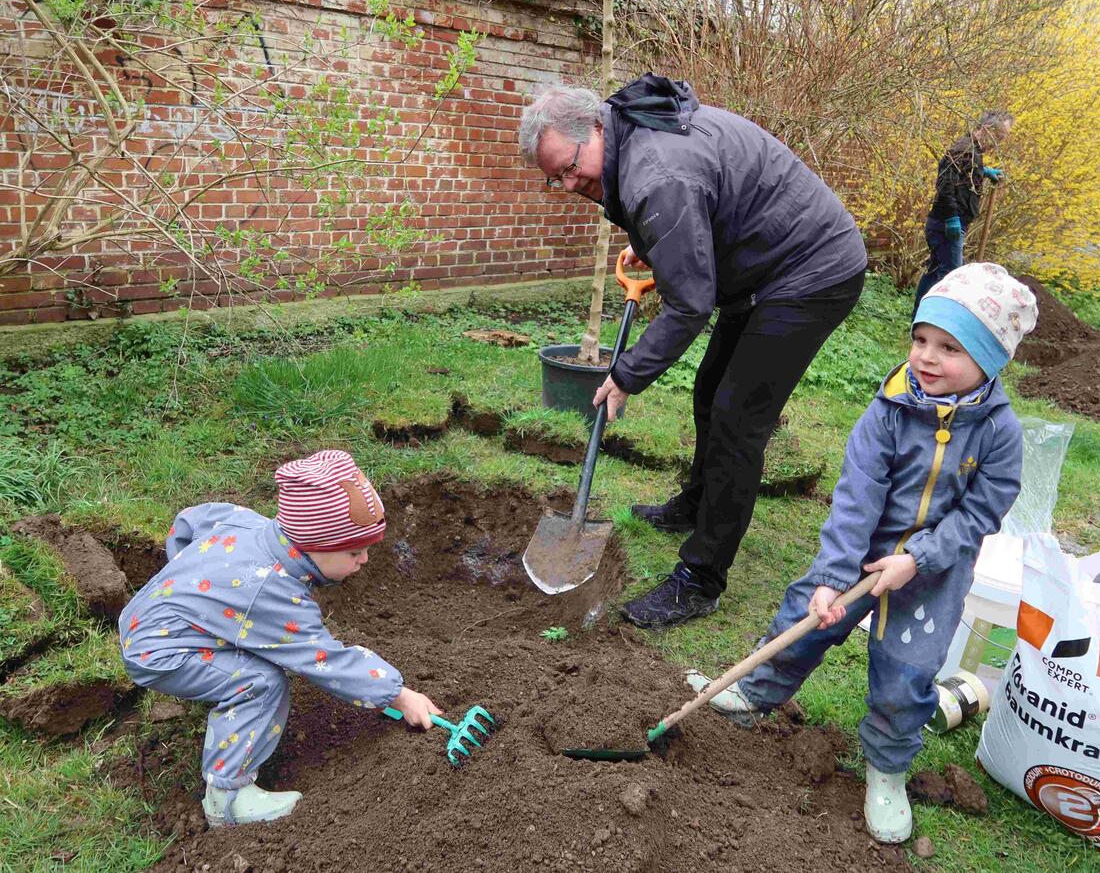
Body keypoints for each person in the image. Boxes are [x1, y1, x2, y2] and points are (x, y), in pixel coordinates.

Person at [686, 263, 1037, 844]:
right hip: (862, 550)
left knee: (908, 672)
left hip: (933, 571)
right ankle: (756, 692)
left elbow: (981, 513)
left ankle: (887, 769)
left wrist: (919, 559)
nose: (927, 356)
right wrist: (831, 575)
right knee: (807, 617)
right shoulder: (890, 411)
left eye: (950, 347)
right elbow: (856, 497)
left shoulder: (999, 432)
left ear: (990, 358)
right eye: (921, 339)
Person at [518, 74, 868, 629]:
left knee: (737, 416)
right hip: (764, 265)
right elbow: (692, 207)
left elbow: (689, 304)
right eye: (554, 178)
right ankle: (698, 504)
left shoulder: (658, 175)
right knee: (709, 389)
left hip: (810, 271)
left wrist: (627, 374)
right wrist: (657, 240)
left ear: (593, 128)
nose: (566, 184)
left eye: (568, 167)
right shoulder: (633, 137)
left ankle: (701, 578)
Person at [118, 450, 441, 827]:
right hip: (159, 651)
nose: (364, 560)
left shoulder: (245, 524)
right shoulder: (272, 593)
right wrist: (400, 696)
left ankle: (213, 664)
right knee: (260, 681)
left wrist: (193, 583)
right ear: (315, 544)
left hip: (146, 616)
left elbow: (191, 521)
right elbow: (324, 659)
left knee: (254, 659)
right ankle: (228, 799)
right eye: (354, 551)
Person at [913, 111, 1014, 314]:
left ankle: (920, 314)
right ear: (987, 130)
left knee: (935, 271)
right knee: (950, 277)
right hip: (946, 224)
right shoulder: (964, 149)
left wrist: (983, 171)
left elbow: (961, 171)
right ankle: (932, 318)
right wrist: (951, 217)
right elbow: (944, 183)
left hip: (948, 222)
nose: (999, 143)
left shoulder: (971, 150)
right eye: (1000, 137)